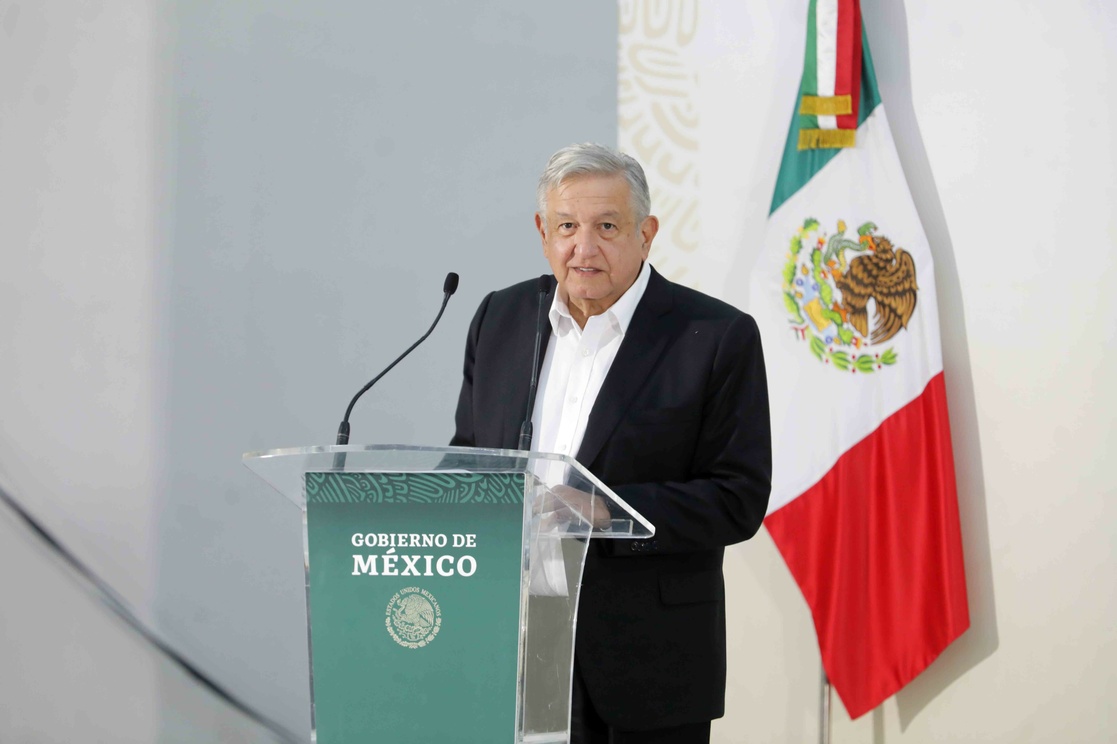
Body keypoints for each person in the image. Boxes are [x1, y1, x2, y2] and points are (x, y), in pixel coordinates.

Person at [451, 143, 771, 743]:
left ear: (646, 234)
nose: (584, 247)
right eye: (567, 227)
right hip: (510, 649)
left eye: (606, 227)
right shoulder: (500, 318)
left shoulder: (713, 336)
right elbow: (468, 457)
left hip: (644, 666)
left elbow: (738, 497)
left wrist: (605, 508)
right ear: (543, 233)